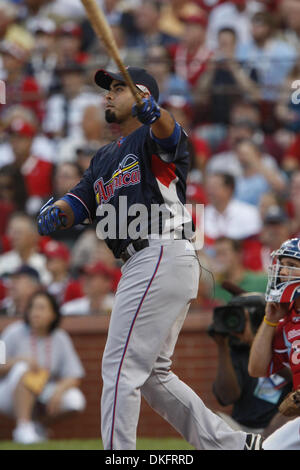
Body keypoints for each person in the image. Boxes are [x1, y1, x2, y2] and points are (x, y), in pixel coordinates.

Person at [36, 65, 263, 450]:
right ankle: (231, 446)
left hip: (159, 250)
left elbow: (171, 133)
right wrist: (55, 211)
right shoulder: (103, 158)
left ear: (143, 96)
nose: (108, 95)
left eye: (118, 88)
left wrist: (155, 112)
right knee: (154, 377)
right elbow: (78, 201)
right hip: (149, 263)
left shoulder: (151, 135)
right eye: (108, 89)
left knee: (119, 368)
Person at [0, 290, 86, 444]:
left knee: (75, 400)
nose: (35, 312)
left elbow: (74, 375)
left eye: (41, 308)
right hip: (8, 392)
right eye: (33, 307)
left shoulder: (61, 337)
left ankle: (37, 427)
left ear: (53, 314)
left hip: (42, 392)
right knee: (22, 368)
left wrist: (59, 390)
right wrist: (20, 360)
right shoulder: (12, 331)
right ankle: (23, 427)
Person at [209, 291, 291, 436]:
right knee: (212, 421)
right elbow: (227, 398)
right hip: (243, 429)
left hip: (279, 429)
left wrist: (254, 340)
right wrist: (222, 346)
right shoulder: (236, 354)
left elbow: (292, 375)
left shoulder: (284, 343)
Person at [248, 237, 300, 449]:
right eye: (282, 265)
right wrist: (270, 319)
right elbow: (256, 369)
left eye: (292, 266)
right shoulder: (288, 322)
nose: (283, 272)